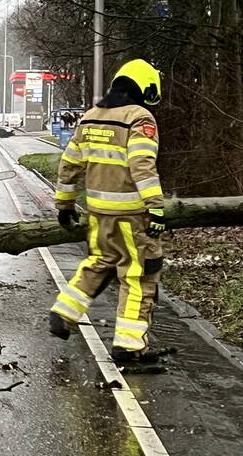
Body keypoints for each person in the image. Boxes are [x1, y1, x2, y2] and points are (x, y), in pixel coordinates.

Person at [49, 59, 169, 364]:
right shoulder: (139, 117)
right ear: (145, 87)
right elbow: (142, 164)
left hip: (99, 212)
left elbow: (69, 164)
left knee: (100, 263)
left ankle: (64, 311)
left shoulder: (90, 117)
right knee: (138, 277)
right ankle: (129, 346)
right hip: (133, 215)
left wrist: (65, 204)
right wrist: (156, 208)